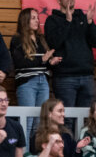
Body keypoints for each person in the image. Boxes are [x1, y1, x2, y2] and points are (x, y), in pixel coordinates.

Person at [44, 0, 96, 110]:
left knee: (87, 118)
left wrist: (90, 23)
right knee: (66, 118)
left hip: (87, 75)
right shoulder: (52, 20)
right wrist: (67, 22)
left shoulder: (83, 17)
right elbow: (53, 43)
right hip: (64, 77)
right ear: (59, 0)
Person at [11, 8, 60, 136]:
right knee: (26, 122)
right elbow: (19, 63)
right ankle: (25, 155)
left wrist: (50, 62)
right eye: (33, 18)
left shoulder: (41, 39)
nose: (37, 20)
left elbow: (43, 63)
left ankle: (37, 154)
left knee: (40, 123)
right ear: (24, 20)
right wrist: (42, 59)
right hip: (27, 82)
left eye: (37, 17)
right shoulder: (17, 39)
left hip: (43, 81)